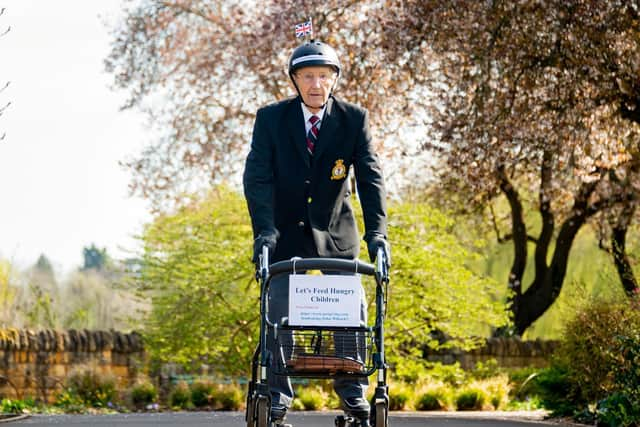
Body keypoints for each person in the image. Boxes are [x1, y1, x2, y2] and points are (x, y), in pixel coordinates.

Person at [243, 39, 389, 426]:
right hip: (284, 233)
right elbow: (256, 179)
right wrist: (264, 233)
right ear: (295, 80)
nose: (316, 85)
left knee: (350, 310)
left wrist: (378, 234)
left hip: (336, 233)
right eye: (308, 76)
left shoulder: (354, 119)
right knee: (279, 311)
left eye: (324, 76)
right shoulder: (271, 120)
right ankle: (277, 399)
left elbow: (371, 180)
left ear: (334, 80)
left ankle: (353, 394)